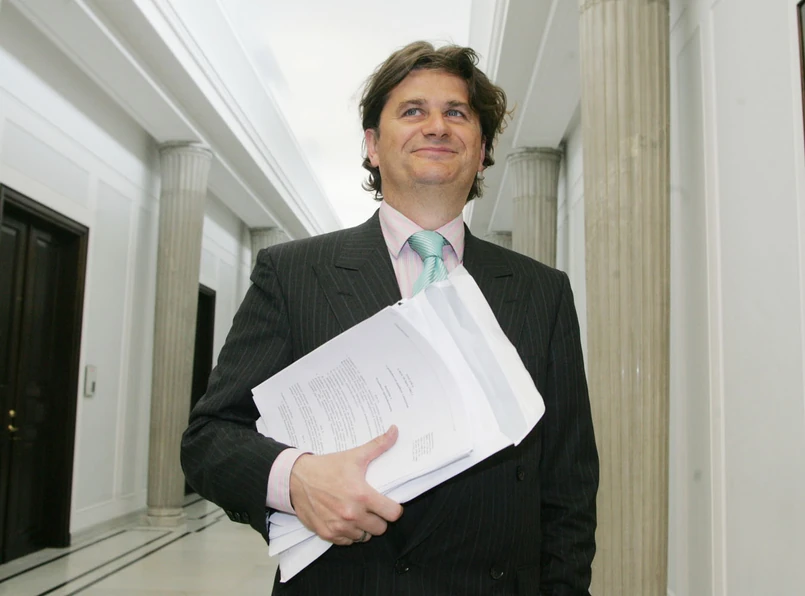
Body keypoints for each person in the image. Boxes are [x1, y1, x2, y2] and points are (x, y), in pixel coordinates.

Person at [181, 41, 598, 595]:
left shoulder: (542, 291)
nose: (437, 126)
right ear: (373, 146)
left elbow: (569, 489)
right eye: (413, 110)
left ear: (481, 151)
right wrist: (295, 478)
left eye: (457, 113)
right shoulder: (294, 273)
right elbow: (208, 439)